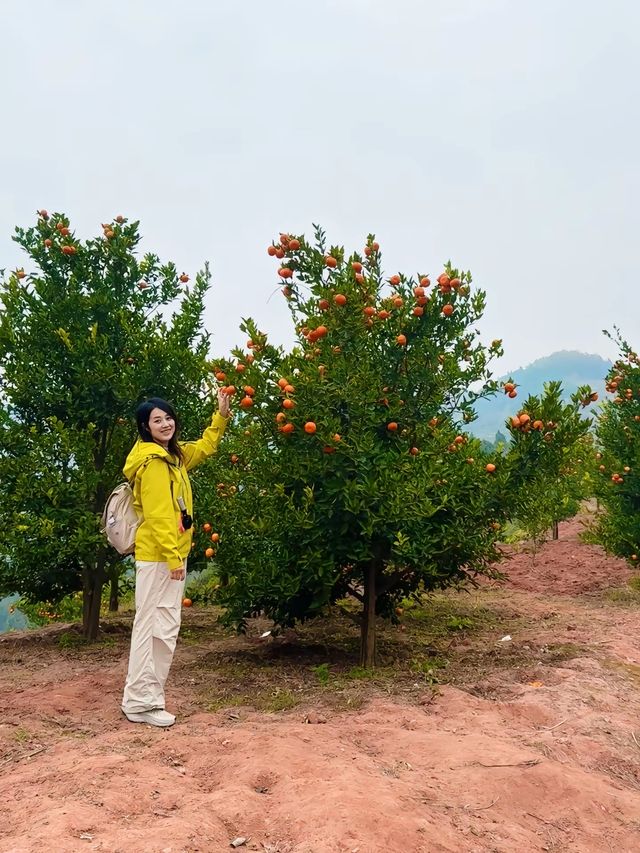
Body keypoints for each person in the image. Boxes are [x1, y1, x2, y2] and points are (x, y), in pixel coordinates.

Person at [121, 391, 231, 727]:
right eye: (157, 420)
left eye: (168, 417)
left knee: (164, 627)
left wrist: (221, 416)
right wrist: (173, 559)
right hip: (158, 557)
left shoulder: (173, 457)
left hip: (168, 555)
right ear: (145, 427)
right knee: (152, 627)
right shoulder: (153, 464)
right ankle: (140, 702)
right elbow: (157, 516)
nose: (165, 423)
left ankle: (146, 698)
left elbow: (206, 446)